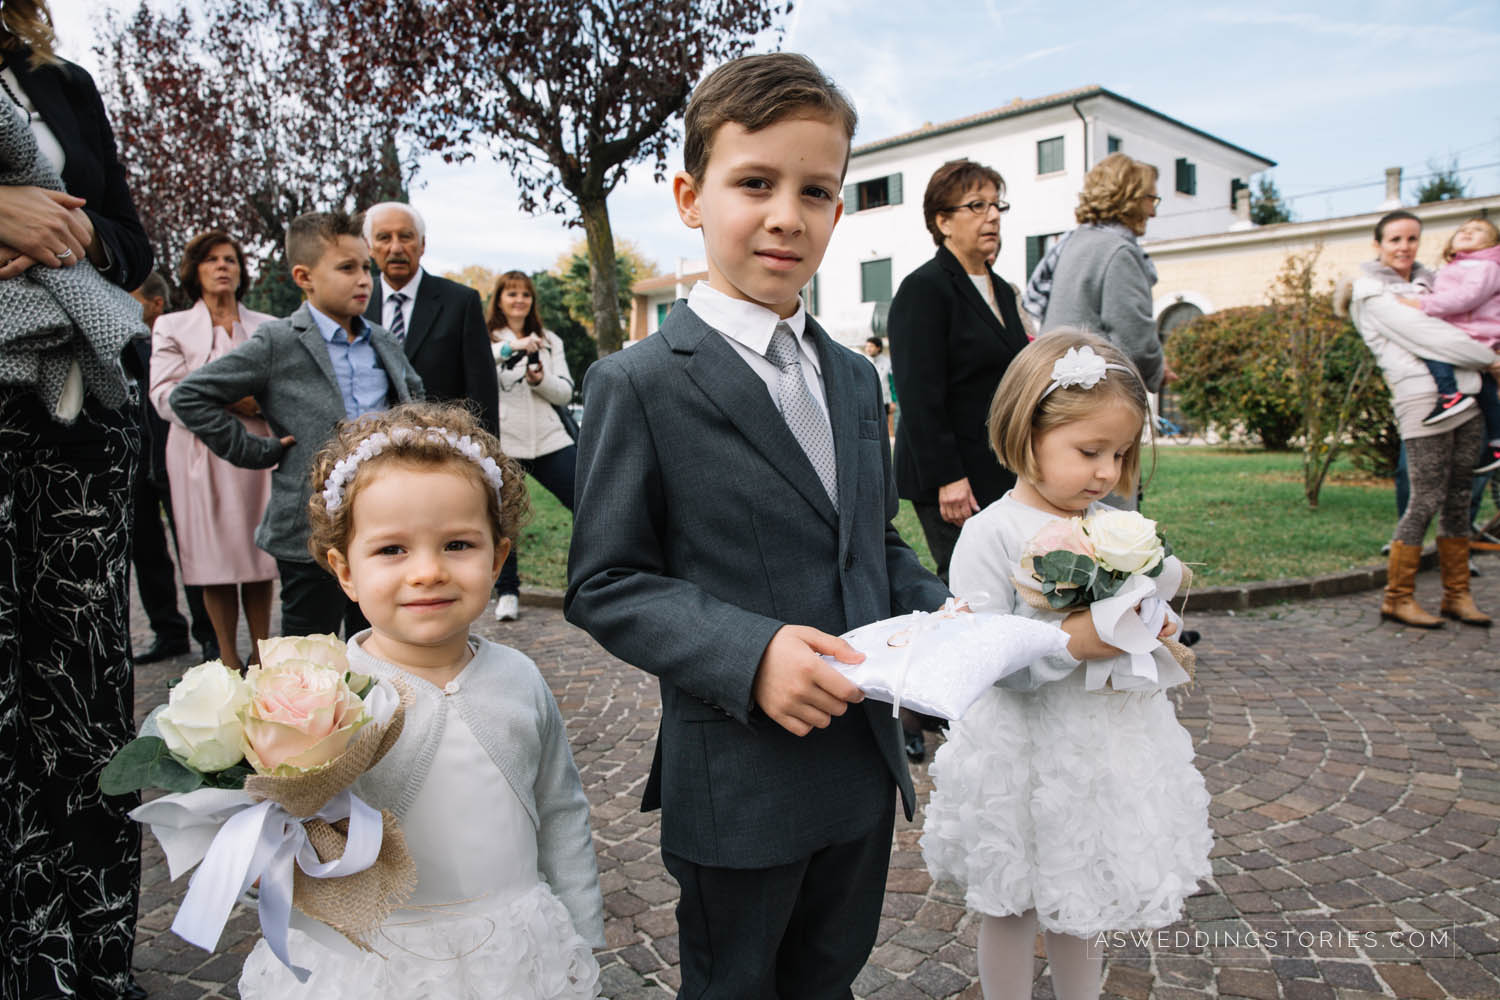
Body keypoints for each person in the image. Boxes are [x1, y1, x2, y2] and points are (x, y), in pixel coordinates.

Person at [566, 53, 950, 997]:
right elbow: (605, 581)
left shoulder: (858, 377)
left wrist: (944, 615)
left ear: (838, 210)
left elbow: (870, 536)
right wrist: (753, 654)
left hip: (861, 764)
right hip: (739, 774)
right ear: (692, 196)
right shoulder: (641, 382)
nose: (787, 214)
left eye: (815, 190)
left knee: (830, 974)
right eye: (755, 183)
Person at [238, 402, 604, 998]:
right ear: (344, 570)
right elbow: (283, 826)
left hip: (512, 952)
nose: (429, 572)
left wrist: (581, 933)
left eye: (458, 544)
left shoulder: (521, 679)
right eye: (392, 550)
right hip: (371, 960)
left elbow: (561, 810)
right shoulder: (324, 692)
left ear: (499, 558)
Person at [922, 331, 1211, 1000]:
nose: (1107, 472)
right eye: (1089, 452)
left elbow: (1146, 594)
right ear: (1028, 434)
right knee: (1013, 899)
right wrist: (1073, 640)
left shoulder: (1114, 526)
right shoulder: (991, 534)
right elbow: (983, 657)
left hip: (1098, 745)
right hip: (1025, 746)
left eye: (1119, 453)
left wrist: (1152, 620)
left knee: (1086, 893)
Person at [0, 4, 154, 996]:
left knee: (89, 706)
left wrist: (76, 231)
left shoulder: (62, 84)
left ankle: (99, 963)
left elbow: (137, 250)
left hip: (81, 417)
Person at [171, 210, 424, 638]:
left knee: (384, 642)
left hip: (384, 520)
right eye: (347, 268)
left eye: (366, 267)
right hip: (309, 530)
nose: (364, 279)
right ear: (304, 277)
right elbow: (190, 395)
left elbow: (415, 402)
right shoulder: (279, 342)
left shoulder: (382, 340)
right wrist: (258, 450)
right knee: (310, 653)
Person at [888, 158, 1029, 761]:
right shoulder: (925, 289)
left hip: (999, 472)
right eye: (976, 206)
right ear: (942, 221)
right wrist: (949, 476)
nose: (991, 216)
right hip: (948, 474)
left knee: (994, 593)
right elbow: (918, 393)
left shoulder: (1004, 290)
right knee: (961, 598)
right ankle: (915, 713)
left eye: (997, 204)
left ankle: (971, 704)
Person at [1342, 210, 1498, 628]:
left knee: (1459, 498)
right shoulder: (1371, 291)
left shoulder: (1432, 283)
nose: (1404, 247)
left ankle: (1457, 595)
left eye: (1412, 238)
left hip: (1466, 397)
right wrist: (1490, 359)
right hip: (1423, 402)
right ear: (1378, 245)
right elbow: (1433, 337)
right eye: (1394, 239)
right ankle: (1397, 596)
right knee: (1425, 498)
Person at [149, 231, 278, 670]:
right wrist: (228, 401)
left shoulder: (268, 327)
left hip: (258, 452)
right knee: (214, 556)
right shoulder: (172, 326)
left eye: (231, 259)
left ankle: (264, 653)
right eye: (212, 260)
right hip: (198, 454)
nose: (223, 266)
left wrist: (257, 405)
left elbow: (283, 389)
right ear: (195, 270)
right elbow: (165, 395)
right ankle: (226, 657)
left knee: (259, 554)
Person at [1031, 153, 1173, 403]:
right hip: (1092, 394)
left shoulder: (1072, 243)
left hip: (1056, 386)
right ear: (1130, 198)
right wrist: (1158, 370)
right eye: (1151, 199)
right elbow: (1134, 339)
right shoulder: (1118, 252)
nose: (1153, 212)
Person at [129, 271, 216, 663]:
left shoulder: (170, 342)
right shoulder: (116, 344)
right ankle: (168, 631)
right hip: (132, 465)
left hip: (172, 460)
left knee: (192, 553)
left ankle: (210, 635)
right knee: (146, 552)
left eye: (132, 297)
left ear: (156, 304)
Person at [362, 201, 499, 436]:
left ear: (422, 244)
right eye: (384, 237)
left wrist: (487, 456)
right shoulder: (357, 303)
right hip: (370, 447)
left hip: (441, 446)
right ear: (369, 247)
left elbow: (482, 391)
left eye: (405, 237)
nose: (395, 248)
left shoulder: (460, 302)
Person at [486, 269, 576, 621]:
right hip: (508, 442)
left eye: (525, 294)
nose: (519, 300)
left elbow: (565, 390)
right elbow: (483, 363)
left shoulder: (550, 339)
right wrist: (512, 347)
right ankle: (508, 591)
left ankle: (589, 583)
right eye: (511, 294)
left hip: (551, 438)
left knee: (587, 503)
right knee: (505, 518)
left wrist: (541, 380)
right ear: (499, 300)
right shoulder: (488, 337)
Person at [1395, 216, 1500, 472]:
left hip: (1476, 333)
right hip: (1462, 332)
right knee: (1485, 389)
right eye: (1462, 229)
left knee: (1431, 349)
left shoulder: (1487, 267)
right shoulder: (1453, 268)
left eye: (1478, 230)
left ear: (1493, 244)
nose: (1467, 232)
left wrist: (1423, 305)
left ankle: (1449, 394)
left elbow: (1467, 298)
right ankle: (1497, 442)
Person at [863, 334, 895, 437]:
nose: (868, 349)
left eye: (871, 346)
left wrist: (893, 401)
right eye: (867, 346)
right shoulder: (863, 361)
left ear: (878, 348)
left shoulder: (887, 363)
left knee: (884, 426)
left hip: (884, 399)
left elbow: (892, 382)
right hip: (868, 399)